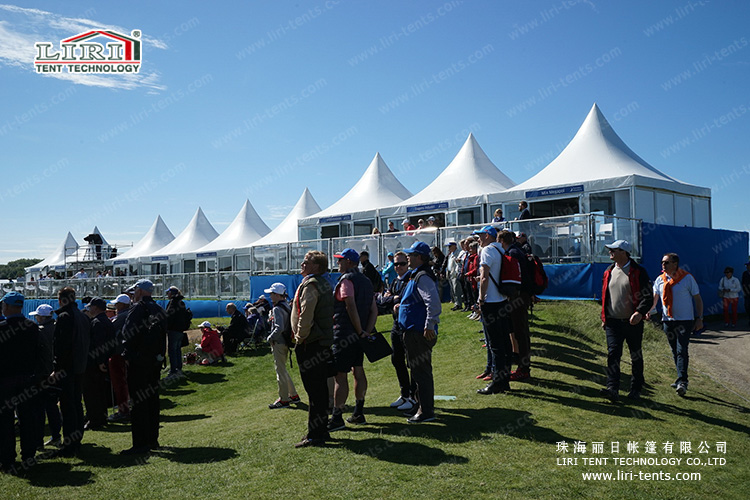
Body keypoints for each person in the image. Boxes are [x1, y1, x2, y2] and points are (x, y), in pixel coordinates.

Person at [329, 248, 378, 431]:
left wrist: (358, 330)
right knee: (358, 370)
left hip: (344, 334)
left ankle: (337, 418)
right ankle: (359, 412)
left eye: (340, 260)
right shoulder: (366, 281)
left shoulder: (346, 280)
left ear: (349, 262)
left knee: (340, 376)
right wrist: (366, 331)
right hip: (360, 335)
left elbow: (350, 306)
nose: (338, 263)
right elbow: (374, 310)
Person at [598, 240, 653, 402]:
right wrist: (604, 317)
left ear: (624, 252)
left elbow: (647, 296)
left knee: (635, 355)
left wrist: (639, 312)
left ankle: (636, 389)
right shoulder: (608, 271)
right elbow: (605, 297)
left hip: (632, 322)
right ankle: (612, 389)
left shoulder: (638, 271)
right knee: (613, 354)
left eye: (613, 250)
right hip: (613, 322)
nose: (610, 252)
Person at [292, 251, 335, 448]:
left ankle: (315, 434)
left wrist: (299, 338)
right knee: (320, 390)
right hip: (321, 342)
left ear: (316, 266)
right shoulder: (323, 282)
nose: (302, 264)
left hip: (311, 344)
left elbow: (306, 314)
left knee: (315, 391)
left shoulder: (311, 285)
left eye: (306, 262)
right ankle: (321, 430)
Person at [120, 279, 168, 455]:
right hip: (155, 361)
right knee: (152, 400)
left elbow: (128, 333)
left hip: (139, 362)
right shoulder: (159, 308)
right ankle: (152, 439)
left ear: (139, 291)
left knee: (139, 402)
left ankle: (140, 444)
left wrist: (128, 354)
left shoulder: (138, 308)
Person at [647, 253, 703, 397]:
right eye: (662, 262)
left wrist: (699, 318)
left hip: (685, 320)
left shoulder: (687, 278)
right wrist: (649, 311)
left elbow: (697, 299)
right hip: (668, 320)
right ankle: (680, 377)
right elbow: (655, 299)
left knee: (681, 349)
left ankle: (683, 381)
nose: (663, 265)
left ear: (675, 264)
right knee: (674, 350)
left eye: (666, 262)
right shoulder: (660, 280)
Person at [398, 242, 441, 423]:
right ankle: (421, 407)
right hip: (414, 331)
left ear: (420, 257)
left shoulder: (422, 276)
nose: (408, 257)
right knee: (417, 372)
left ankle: (426, 411)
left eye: (412, 255)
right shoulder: (417, 275)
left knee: (421, 372)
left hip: (418, 332)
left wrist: (429, 324)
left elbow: (433, 303)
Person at [0, 292, 39, 472]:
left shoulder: (2, 327)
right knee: (28, 419)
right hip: (28, 378)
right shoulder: (32, 327)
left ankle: (7, 459)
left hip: (5, 379)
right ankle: (29, 456)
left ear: (6, 306)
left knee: (5, 421)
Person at [51, 286, 90, 458]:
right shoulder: (83, 316)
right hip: (80, 366)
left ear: (61, 300)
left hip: (68, 367)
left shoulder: (65, 317)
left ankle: (69, 445)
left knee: (68, 406)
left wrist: (57, 369)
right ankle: (76, 440)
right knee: (76, 403)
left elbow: (61, 347)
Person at [474, 226, 513, 394]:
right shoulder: (501, 250)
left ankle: (497, 382)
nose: (478, 239)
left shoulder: (488, 250)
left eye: (480, 235)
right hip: (502, 299)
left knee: (495, 345)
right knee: (504, 343)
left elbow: (484, 277)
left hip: (491, 302)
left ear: (488, 236)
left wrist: (481, 299)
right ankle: (504, 380)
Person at [498, 230, 533, 381]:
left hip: (518, 297)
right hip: (522, 295)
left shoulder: (512, 253)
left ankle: (524, 369)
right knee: (522, 332)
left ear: (501, 241)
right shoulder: (517, 251)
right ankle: (523, 366)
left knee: (520, 333)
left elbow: (516, 277)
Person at [386, 251, 417, 412]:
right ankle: (404, 393)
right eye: (396, 264)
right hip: (396, 324)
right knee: (396, 359)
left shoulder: (410, 279)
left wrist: (394, 299)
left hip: (408, 325)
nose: (399, 267)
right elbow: (385, 300)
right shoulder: (394, 281)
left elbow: (403, 300)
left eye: (402, 264)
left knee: (411, 361)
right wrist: (392, 299)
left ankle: (413, 396)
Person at [30, 304, 62, 448]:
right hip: (56, 371)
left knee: (39, 409)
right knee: (52, 406)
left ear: (42, 317)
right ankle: (56, 436)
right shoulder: (57, 328)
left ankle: (38, 440)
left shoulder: (40, 331)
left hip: (42, 373)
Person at [264, 283, 301, 409]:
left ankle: (284, 399)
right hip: (285, 341)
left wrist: (270, 338)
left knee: (280, 371)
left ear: (277, 295)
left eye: (272, 294)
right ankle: (293, 395)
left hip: (279, 342)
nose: (270, 296)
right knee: (282, 369)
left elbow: (279, 327)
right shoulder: (286, 305)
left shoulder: (277, 309)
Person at [83, 298, 115, 430]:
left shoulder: (97, 322)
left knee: (92, 392)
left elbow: (98, 344)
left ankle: (94, 419)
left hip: (94, 363)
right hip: (103, 361)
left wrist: (100, 361)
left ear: (95, 308)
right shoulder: (106, 321)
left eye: (91, 307)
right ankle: (101, 416)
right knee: (100, 391)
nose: (89, 309)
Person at [108, 294, 131, 423]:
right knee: (125, 382)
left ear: (122, 305)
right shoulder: (130, 314)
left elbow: (111, 332)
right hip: (126, 353)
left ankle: (123, 411)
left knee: (120, 383)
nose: (115, 306)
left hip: (118, 353)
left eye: (117, 304)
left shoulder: (121, 317)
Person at [165, 286, 189, 379]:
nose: (167, 294)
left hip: (173, 329)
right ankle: (178, 369)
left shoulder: (173, 302)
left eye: (168, 293)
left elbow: (169, 316)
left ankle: (173, 371)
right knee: (177, 350)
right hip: (180, 330)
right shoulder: (181, 302)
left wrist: (166, 326)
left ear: (171, 293)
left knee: (172, 351)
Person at [445, 241, 464, 311]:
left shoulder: (458, 253)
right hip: (450, 273)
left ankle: (459, 304)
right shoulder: (451, 254)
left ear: (454, 246)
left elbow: (458, 264)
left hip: (455, 273)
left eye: (450, 246)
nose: (449, 248)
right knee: (453, 290)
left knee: (456, 289)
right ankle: (456, 303)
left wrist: (456, 272)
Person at [742, 262, 750, 327]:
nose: (747, 267)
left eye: (748, 265)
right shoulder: (745, 273)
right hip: (747, 294)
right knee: (747, 306)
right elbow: (743, 283)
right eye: (747, 265)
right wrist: (745, 291)